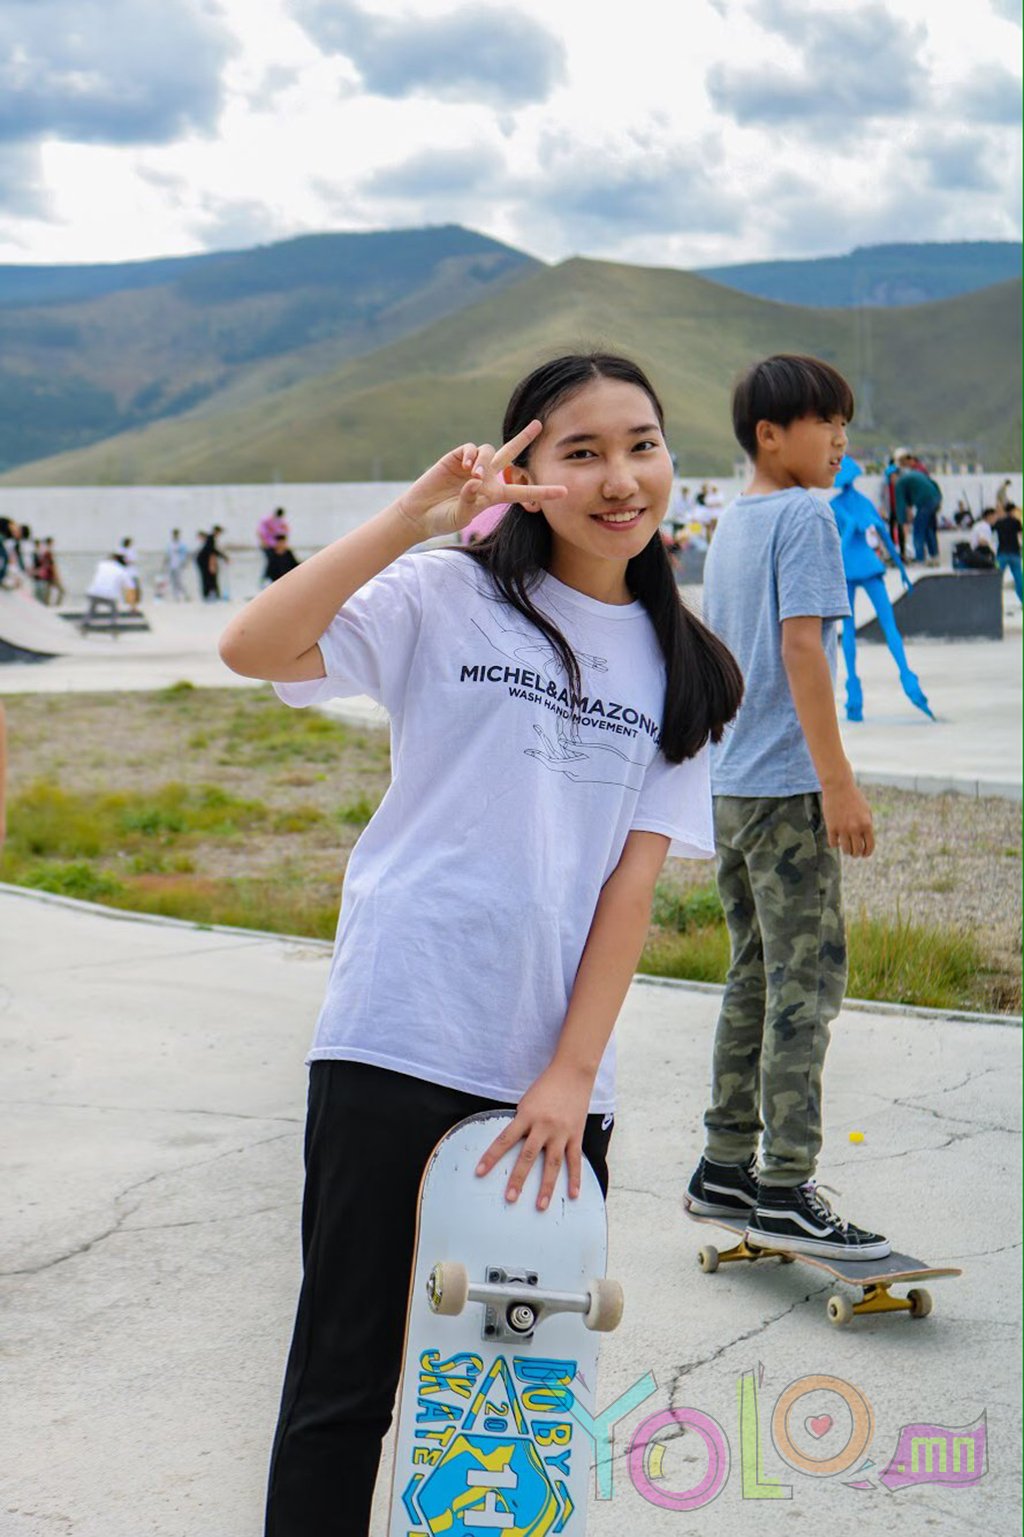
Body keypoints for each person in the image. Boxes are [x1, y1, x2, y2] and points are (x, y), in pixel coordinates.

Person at [219, 351, 744, 1535]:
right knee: (343, 1378)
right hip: (396, 1029)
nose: (620, 478)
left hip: (550, 1083)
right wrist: (416, 515)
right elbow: (254, 647)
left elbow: (628, 889)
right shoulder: (444, 593)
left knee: (508, 1408)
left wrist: (568, 1074)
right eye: (581, 452)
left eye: (642, 445)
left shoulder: (691, 671)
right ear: (524, 470)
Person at [686, 352, 889, 1263]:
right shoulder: (806, 514)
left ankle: (725, 1164)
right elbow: (802, 649)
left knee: (754, 975)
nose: (840, 440)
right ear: (771, 435)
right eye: (824, 424)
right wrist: (837, 780)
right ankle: (786, 1186)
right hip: (785, 786)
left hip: (731, 784)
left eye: (845, 424)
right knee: (804, 988)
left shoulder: (734, 520)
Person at [893, 451, 942, 566]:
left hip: (925, 502)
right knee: (929, 529)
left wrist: (902, 522)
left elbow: (900, 505)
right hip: (935, 498)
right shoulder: (915, 474)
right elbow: (931, 483)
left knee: (918, 530)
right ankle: (934, 556)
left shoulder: (900, 483)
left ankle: (920, 559)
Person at [81, 552, 135, 631]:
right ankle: (113, 625)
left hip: (93, 592)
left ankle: (85, 623)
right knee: (114, 610)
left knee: (92, 608)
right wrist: (132, 606)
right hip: (110, 595)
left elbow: (107, 560)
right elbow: (131, 587)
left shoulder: (102, 565)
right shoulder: (123, 571)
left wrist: (112, 557)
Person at [993, 502, 1023, 604]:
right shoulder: (1016, 522)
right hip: (1015, 554)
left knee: (996, 578)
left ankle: (994, 601)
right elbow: (1020, 536)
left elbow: (993, 534)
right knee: (1019, 579)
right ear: (1012, 511)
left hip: (1001, 554)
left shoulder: (998, 522)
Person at [258, 507, 290, 585]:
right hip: (267, 545)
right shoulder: (266, 520)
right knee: (271, 561)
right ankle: (265, 578)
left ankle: (274, 578)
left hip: (275, 546)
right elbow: (260, 532)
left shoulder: (280, 521)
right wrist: (263, 542)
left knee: (276, 561)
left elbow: (285, 531)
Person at [196, 525, 228, 601]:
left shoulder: (211, 538)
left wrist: (224, 557)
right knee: (206, 577)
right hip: (203, 561)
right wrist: (224, 557)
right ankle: (207, 595)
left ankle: (211, 594)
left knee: (209, 577)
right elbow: (212, 551)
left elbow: (213, 552)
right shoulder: (211, 538)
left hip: (205, 560)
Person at [164, 528, 191, 601]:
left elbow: (185, 555)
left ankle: (186, 595)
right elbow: (168, 555)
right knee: (173, 582)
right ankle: (176, 596)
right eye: (174, 534)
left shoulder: (182, 545)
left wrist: (184, 563)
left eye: (176, 534)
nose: (175, 536)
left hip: (178, 565)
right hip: (171, 565)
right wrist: (165, 563)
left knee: (179, 581)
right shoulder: (170, 544)